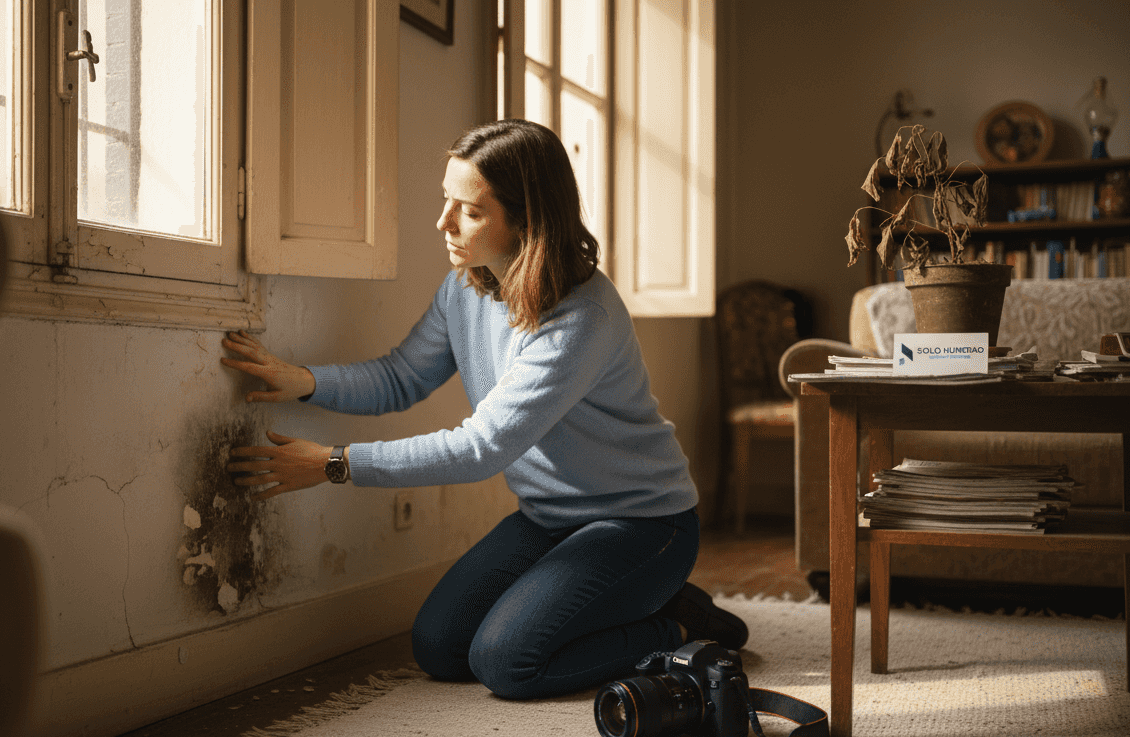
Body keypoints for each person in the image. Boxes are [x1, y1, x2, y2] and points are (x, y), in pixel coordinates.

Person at [221, 118, 746, 700]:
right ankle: (641, 603)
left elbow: (482, 448)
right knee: (439, 648)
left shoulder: (581, 318)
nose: (443, 222)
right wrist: (302, 381)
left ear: (526, 220)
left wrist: (334, 463)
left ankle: (680, 624)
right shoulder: (465, 289)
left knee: (508, 663)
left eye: (469, 211)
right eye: (447, 200)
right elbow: (401, 377)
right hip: (548, 519)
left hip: (644, 526)